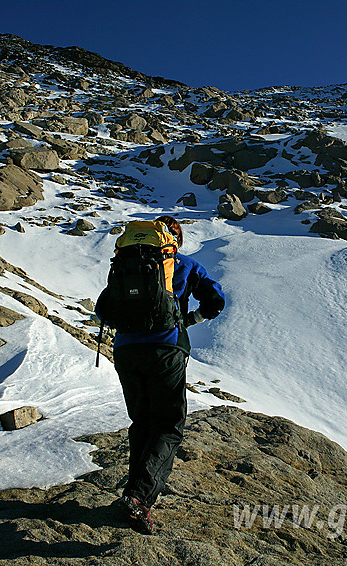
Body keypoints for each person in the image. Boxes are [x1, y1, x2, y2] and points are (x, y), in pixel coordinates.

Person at [100, 215, 225, 534]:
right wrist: (190, 318)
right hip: (166, 350)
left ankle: (132, 496)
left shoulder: (126, 262)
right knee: (168, 425)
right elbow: (215, 300)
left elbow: (103, 308)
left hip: (126, 351)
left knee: (141, 423)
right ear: (173, 240)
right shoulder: (183, 265)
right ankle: (138, 497)